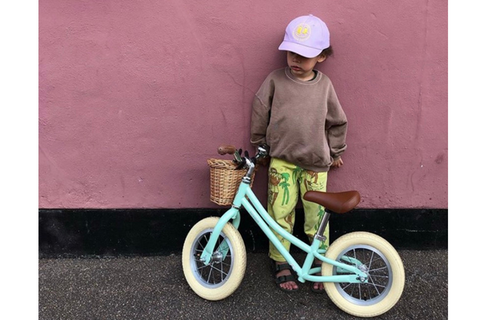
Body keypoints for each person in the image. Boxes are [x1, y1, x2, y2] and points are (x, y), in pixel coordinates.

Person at [250, 14, 348, 293]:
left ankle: (320, 261)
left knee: (317, 216)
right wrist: (260, 146)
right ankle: (280, 261)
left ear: (321, 57)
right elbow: (259, 110)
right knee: (280, 212)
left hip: (316, 163)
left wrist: (336, 150)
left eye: (304, 56)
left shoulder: (324, 85)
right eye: (292, 53)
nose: (296, 60)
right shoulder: (275, 80)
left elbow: (338, 120)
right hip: (281, 160)